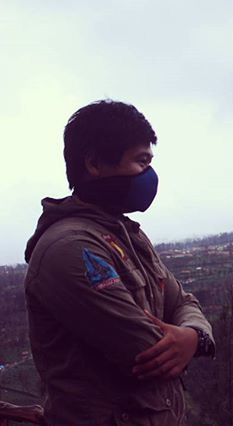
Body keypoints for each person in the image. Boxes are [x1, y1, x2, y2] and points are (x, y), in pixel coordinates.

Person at [23, 100, 215, 425]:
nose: (149, 175)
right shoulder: (70, 248)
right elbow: (147, 350)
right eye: (141, 162)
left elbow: (182, 300)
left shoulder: (128, 235)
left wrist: (194, 335)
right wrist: (181, 341)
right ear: (95, 164)